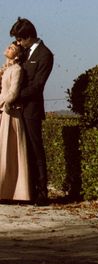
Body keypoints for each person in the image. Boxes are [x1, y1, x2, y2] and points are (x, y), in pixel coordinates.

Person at [10, 18, 54, 206]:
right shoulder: (24, 53)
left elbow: (37, 86)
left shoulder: (45, 55)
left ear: (29, 37)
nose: (18, 43)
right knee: (22, 150)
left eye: (20, 39)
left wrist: (15, 96)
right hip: (18, 110)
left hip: (32, 110)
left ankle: (42, 192)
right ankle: (26, 191)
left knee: (36, 150)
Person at [0, 42, 31, 202]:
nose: (7, 48)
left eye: (11, 48)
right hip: (4, 112)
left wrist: (3, 104)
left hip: (10, 113)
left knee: (10, 151)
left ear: (18, 55)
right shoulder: (6, 69)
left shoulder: (17, 70)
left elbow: (13, 92)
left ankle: (13, 192)